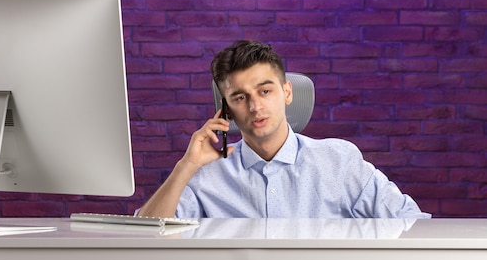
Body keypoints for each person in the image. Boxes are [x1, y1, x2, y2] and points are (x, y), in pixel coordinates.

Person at [138, 40, 430, 219]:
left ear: (287, 93)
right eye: (240, 97)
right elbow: (144, 241)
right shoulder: (207, 174)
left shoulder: (338, 161)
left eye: (265, 91)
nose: (255, 107)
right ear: (226, 107)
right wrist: (185, 166)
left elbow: (412, 223)